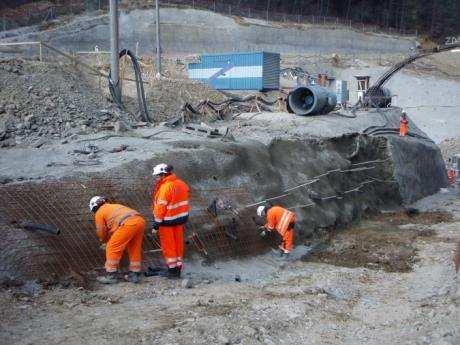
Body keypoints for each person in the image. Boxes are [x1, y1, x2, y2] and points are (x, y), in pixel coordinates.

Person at [89, 196, 146, 284]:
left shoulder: (99, 213)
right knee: (134, 247)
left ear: (94, 207)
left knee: (111, 247)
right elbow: (116, 227)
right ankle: (135, 273)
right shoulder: (114, 206)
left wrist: (104, 241)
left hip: (127, 224)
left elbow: (101, 230)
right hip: (139, 221)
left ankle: (111, 275)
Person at [151, 163, 190, 279]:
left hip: (167, 221)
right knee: (178, 245)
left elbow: (160, 207)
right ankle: (178, 268)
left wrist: (156, 223)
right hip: (179, 220)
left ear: (163, 175)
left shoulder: (166, 187)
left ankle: (172, 270)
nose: (157, 178)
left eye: (158, 176)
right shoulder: (181, 184)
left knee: (169, 246)